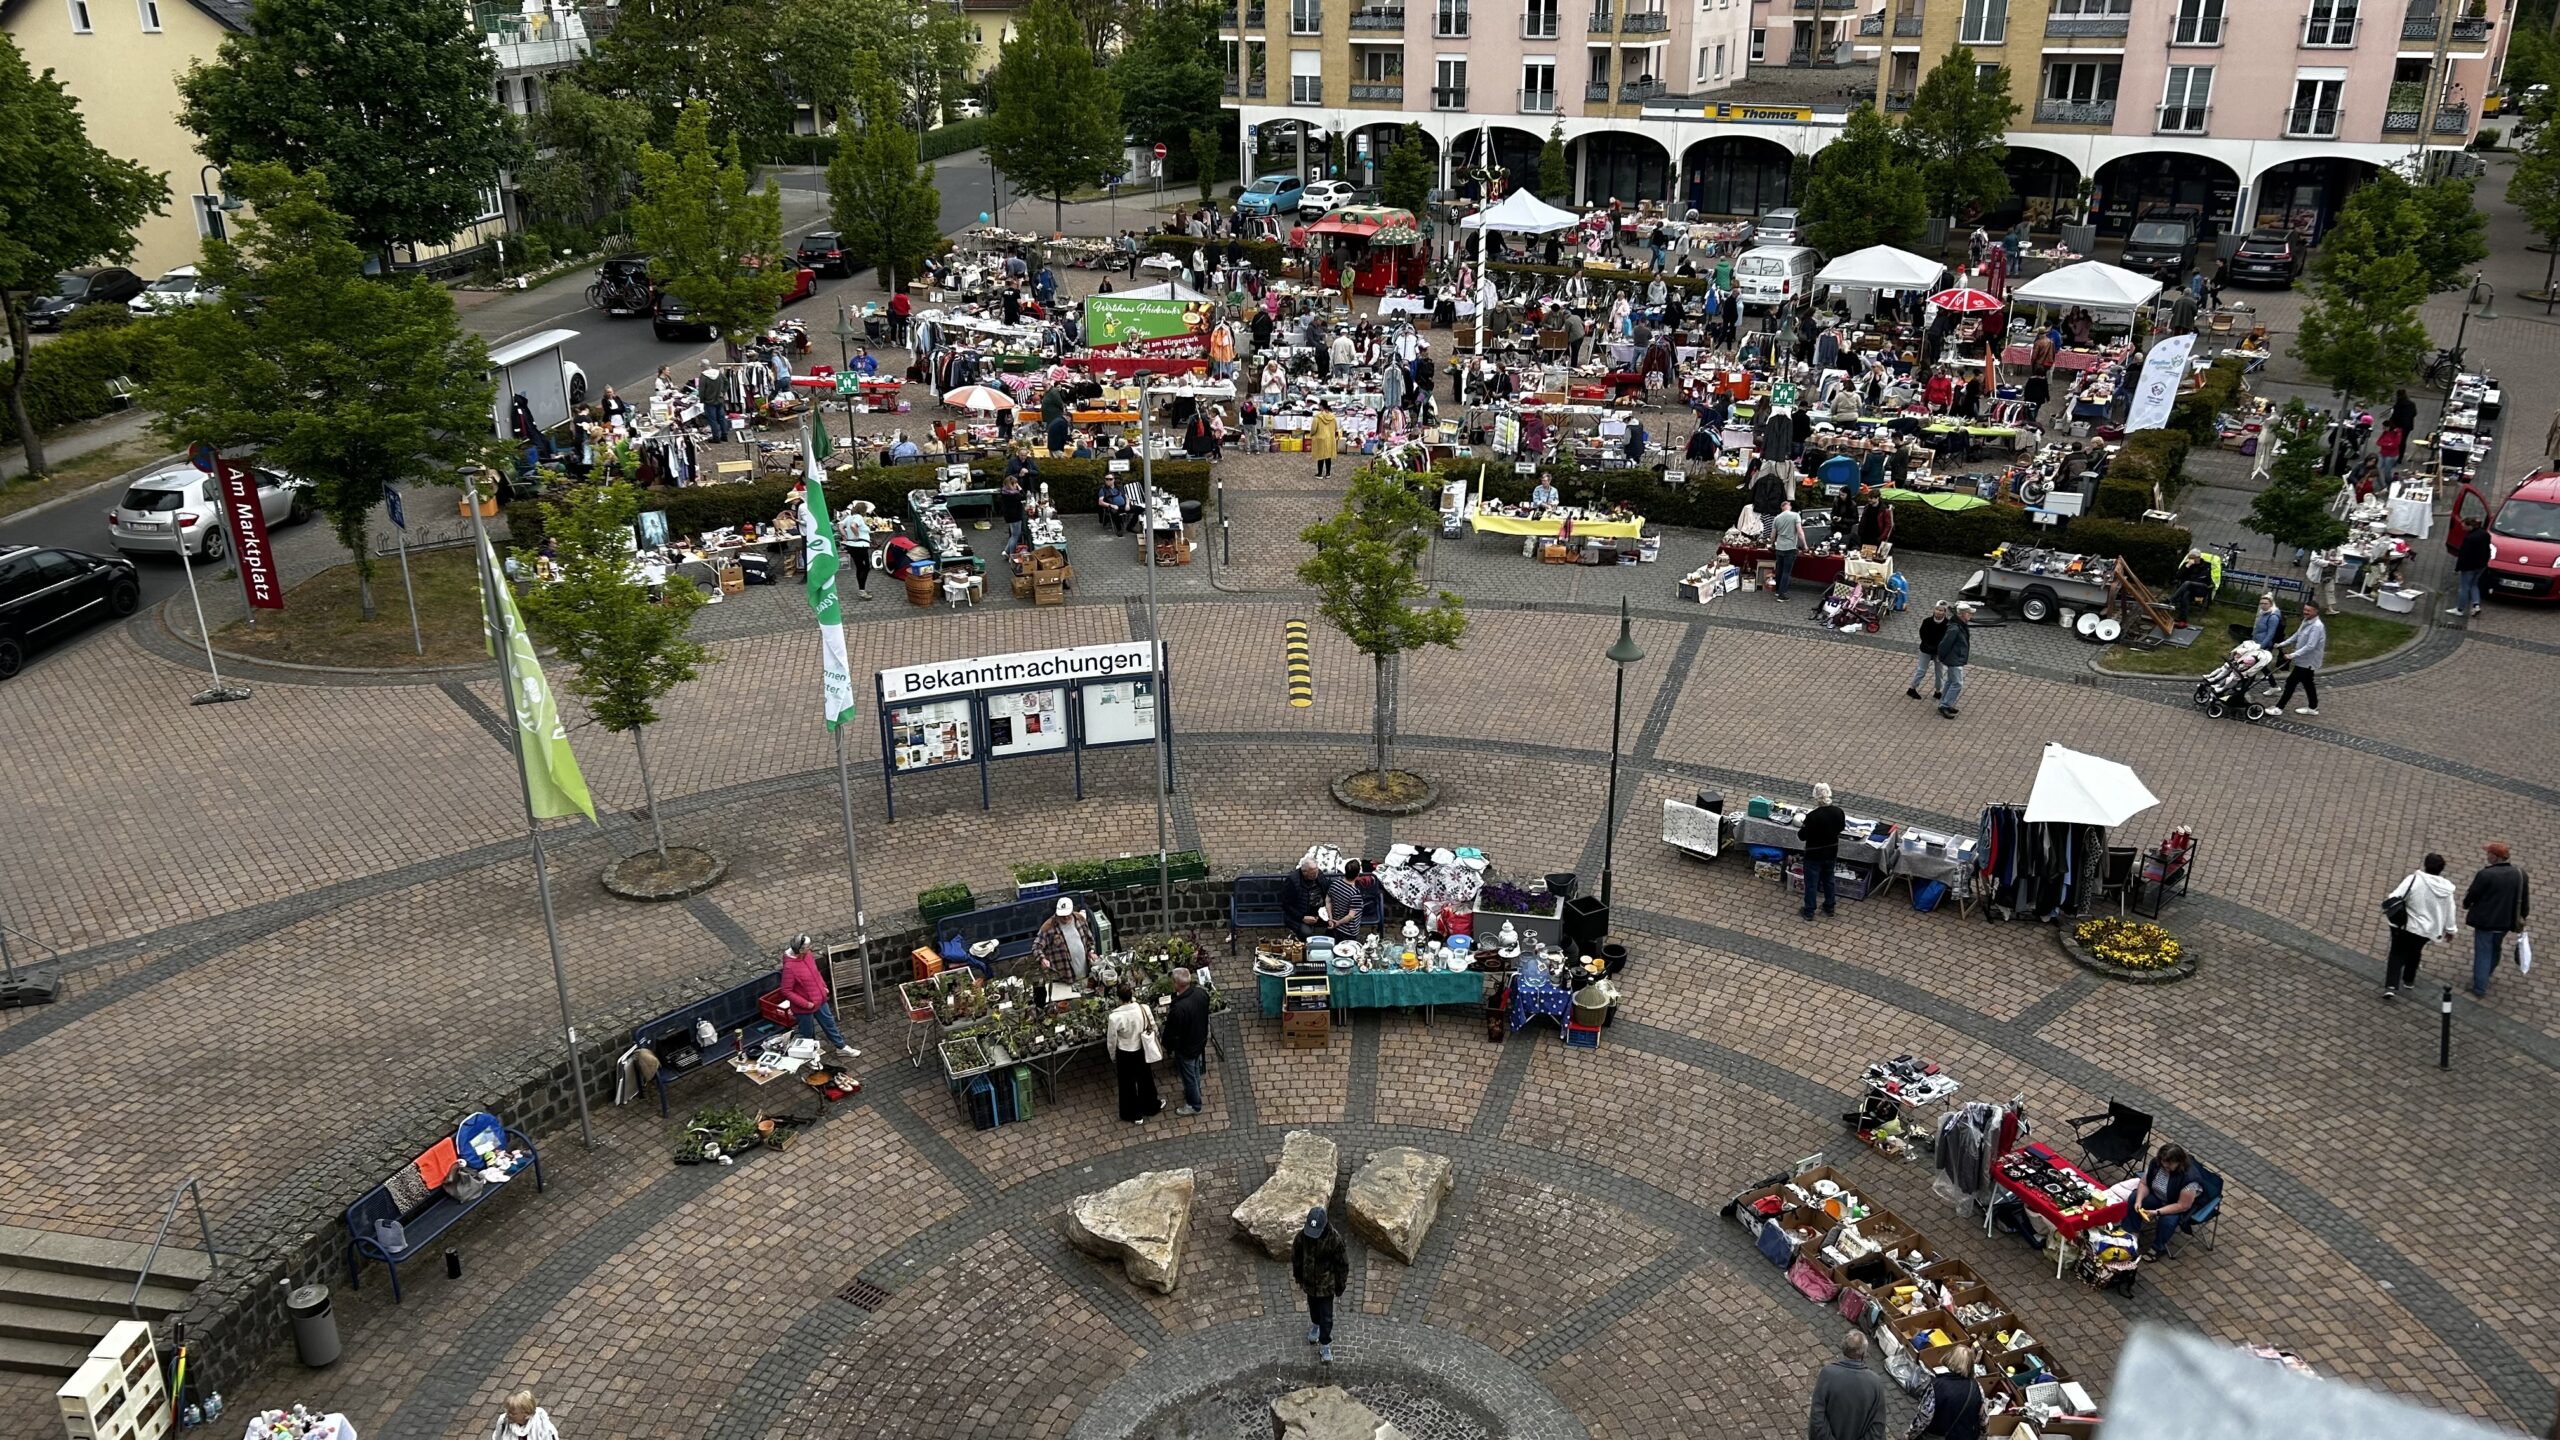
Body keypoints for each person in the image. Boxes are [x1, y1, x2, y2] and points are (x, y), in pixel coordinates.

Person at [2382, 853, 2460, 999]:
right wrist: (2450, 930)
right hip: (2427, 930)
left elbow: (2394, 896)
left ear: (2425, 864)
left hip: (2406, 925)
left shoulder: (2414, 880)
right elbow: (2450, 910)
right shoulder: (2447, 890)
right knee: (2415, 951)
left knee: (2397, 953)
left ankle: (2391, 986)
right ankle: (2409, 980)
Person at [2462, 842, 2531, 999]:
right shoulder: (2520, 874)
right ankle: (2488, 971)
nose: (2487, 856)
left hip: (2486, 922)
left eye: (2489, 853)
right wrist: (2523, 917)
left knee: (2483, 952)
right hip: (2506, 922)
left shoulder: (2485, 874)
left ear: (2495, 856)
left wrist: (2466, 904)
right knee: (2496, 947)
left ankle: (2480, 986)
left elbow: (2473, 894)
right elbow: (2524, 898)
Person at [778, 934, 852, 1058]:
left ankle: (841, 1047)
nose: (810, 949)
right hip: (804, 1007)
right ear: (800, 950)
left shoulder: (808, 955)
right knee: (807, 1033)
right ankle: (809, 1055)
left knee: (829, 1024)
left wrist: (823, 987)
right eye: (807, 947)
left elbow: (815, 973)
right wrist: (806, 1004)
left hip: (819, 999)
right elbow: (786, 991)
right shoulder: (789, 968)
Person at [1293, 1205, 1350, 1363]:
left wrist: (1340, 1285)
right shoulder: (1301, 1237)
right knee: (1313, 1308)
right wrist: (1299, 1276)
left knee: (1327, 1316)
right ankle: (1315, 1325)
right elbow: (1297, 1258)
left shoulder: (1335, 1240)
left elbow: (1342, 1265)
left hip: (1326, 1287)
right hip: (1310, 1284)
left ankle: (1325, 1343)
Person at [1807, 1330, 1889, 1440]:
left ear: (1843, 1349)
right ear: (1864, 1353)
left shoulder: (1827, 1374)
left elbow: (1817, 1416)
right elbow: (1877, 1427)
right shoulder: (1876, 1383)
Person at [2131, 1144, 2205, 1260]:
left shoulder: (2189, 1180)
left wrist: (2157, 1212)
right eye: (2163, 1162)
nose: (2165, 1165)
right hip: (2157, 1196)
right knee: (2134, 1198)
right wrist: (2139, 1201)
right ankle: (2132, 1233)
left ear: (2179, 1162)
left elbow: (2182, 1205)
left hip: (2176, 1204)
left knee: (2167, 1221)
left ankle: (2157, 1248)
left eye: (2169, 1164)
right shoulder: (2156, 1163)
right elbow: (2144, 1183)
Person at [1106, 980, 1164, 1124]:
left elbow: (1111, 1040)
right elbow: (1153, 1026)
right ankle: (1150, 1106)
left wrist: (1113, 1055)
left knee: (1126, 1084)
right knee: (1146, 1079)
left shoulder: (1114, 1017)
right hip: (1141, 1049)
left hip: (1125, 1052)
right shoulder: (1143, 1008)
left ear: (1118, 998)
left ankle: (1132, 1114)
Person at [1906, 1343, 1983, 1440]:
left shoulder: (1937, 1386)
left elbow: (1924, 1418)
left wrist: (1910, 1435)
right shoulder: (1977, 1387)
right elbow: (1983, 1418)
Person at [1163, 966, 1212, 1115]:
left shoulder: (1179, 1008)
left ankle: (1194, 1104)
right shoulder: (1201, 994)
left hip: (1186, 1047)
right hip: (1199, 1040)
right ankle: (1196, 1091)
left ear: (1177, 984)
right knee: (1195, 1069)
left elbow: (1172, 1032)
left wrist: (1168, 1045)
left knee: (1189, 1075)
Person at [1798, 782, 1846, 921]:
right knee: (1829, 879)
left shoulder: (1813, 816)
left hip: (1814, 854)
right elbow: (1841, 828)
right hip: (1831, 851)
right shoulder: (1838, 812)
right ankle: (1829, 906)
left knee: (1812, 883)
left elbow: (1802, 836)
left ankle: (1809, 911)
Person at [2274, 601, 2326, 716]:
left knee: (2291, 682)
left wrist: (2292, 655)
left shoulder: (2317, 626)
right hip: (2303, 660)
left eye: (2308, 610)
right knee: (2308, 683)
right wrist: (2282, 644)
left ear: (2316, 611)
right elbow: (2297, 635)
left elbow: (2310, 646)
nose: (2305, 612)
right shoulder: (2306, 621)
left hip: (2308, 661)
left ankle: (2279, 708)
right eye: (2305, 609)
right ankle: (2313, 707)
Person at [1033, 896, 1099, 987]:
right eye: (1062, 916)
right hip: (1064, 974)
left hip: (1084, 967)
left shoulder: (1080, 919)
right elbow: (1036, 946)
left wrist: (1091, 952)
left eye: (1067, 915)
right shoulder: (1048, 927)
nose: (1065, 918)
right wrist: (1042, 959)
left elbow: (1089, 939)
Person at [1936, 604, 1973, 719]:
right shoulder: (1955, 628)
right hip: (1954, 659)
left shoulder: (1960, 625)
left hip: (1956, 658)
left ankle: (1944, 703)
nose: (1971, 615)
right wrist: (1941, 656)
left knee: (1951, 681)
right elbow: (1945, 644)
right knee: (1957, 683)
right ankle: (1945, 705)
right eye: (1969, 613)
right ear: (1963, 614)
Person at [1908, 601, 1950, 701]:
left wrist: (1939, 649)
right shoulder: (1927, 621)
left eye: (1941, 610)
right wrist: (1929, 646)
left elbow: (1946, 639)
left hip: (1939, 652)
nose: (1939, 612)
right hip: (1926, 650)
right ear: (1933, 610)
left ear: (1945, 612)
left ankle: (1938, 691)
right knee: (1921, 670)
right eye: (1937, 610)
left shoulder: (1948, 624)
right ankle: (1912, 688)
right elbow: (1923, 635)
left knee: (1939, 672)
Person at [2450, 520, 2491, 621]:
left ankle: (2460, 610)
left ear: (2470, 526)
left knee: (2464, 587)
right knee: (2474, 584)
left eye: (2464, 526)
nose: (2462, 528)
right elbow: (2488, 549)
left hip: (2469, 567)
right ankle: (2476, 605)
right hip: (2481, 565)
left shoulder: (2469, 538)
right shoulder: (2485, 534)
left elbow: (2463, 555)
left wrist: (2457, 568)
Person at [1282, 859, 1329, 939]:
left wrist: (1324, 911)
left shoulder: (1318, 874)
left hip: (1319, 913)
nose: (1316, 875)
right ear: (1304, 872)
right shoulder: (1292, 881)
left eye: (1317, 872)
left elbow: (1327, 892)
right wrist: (1302, 917)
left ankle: (1330, 946)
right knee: (1306, 933)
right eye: (1313, 874)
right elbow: (1286, 905)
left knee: (1336, 925)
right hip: (1299, 916)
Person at [1768, 500, 1804, 602]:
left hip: (1779, 547)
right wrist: (1804, 545)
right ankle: (1782, 595)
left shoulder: (1777, 518)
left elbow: (1773, 535)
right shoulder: (1795, 516)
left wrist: (1772, 544)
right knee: (1786, 572)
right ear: (1788, 506)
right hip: (1790, 547)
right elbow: (1800, 532)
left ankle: (1777, 590)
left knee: (1779, 569)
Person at [1326, 858, 1369, 942]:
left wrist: (1330, 918)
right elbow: (1350, 916)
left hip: (1333, 926)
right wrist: (1337, 923)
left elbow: (1328, 900)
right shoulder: (1355, 894)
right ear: (1357, 875)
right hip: (1348, 931)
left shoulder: (1335, 884)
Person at [2170, 551, 2215, 627]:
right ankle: (2183, 620)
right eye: (2189, 558)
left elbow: (2204, 578)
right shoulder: (2187, 565)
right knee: (2186, 594)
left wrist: (2191, 580)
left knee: (2188, 583)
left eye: (2192, 558)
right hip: (2188, 590)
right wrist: (2187, 566)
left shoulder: (2206, 566)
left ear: (2198, 558)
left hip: (2200, 590)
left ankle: (2172, 600)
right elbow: (2178, 576)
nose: (2190, 560)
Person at [492, 1390, 562, 1440]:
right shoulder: (503, 1421)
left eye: (513, 1413)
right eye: (507, 1411)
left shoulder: (544, 1427)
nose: (507, 1415)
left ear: (526, 1414)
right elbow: (497, 1437)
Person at [1310, 401, 1341, 479]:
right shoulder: (1332, 417)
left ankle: (1319, 474)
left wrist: (1312, 434)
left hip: (1320, 438)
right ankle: (1328, 473)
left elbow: (1313, 428)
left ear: (1321, 406)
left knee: (1320, 456)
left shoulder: (1317, 417)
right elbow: (1336, 428)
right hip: (1330, 438)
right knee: (1328, 456)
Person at [1040, 383, 1070, 454]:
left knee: (1055, 433)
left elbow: (1060, 403)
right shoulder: (1048, 392)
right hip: (1049, 417)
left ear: (1049, 384)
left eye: (1044, 386)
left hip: (1053, 416)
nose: (1043, 388)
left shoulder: (1054, 392)